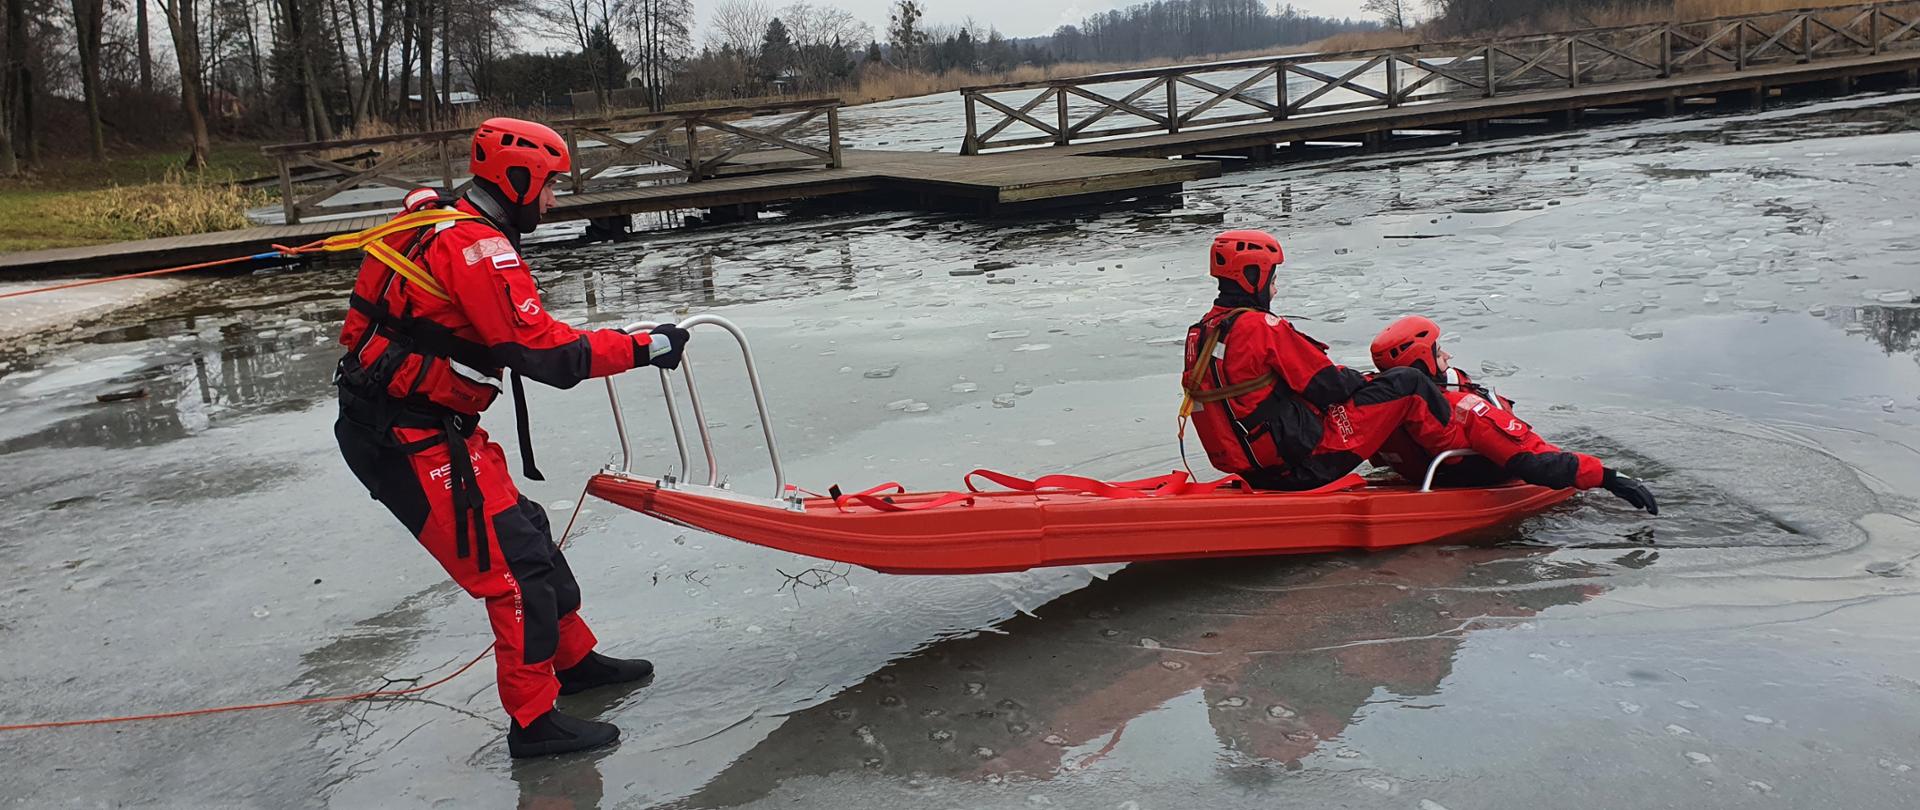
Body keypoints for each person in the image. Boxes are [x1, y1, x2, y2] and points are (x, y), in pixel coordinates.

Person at [332, 117, 693, 758]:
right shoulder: (477, 248)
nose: (554, 201)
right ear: (517, 179)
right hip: (403, 439)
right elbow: (543, 353)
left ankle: (575, 661)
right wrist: (645, 346)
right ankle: (533, 722)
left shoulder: (443, 222)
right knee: (513, 576)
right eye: (550, 186)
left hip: (432, 427)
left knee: (529, 535)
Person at [1181, 229, 1589, 496]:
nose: (1275, 285)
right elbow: (1329, 385)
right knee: (1407, 382)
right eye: (1272, 276)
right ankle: (1459, 461)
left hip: (1256, 466)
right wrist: (1370, 381)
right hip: (1298, 468)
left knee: (1382, 386)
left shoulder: (1202, 331)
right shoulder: (1262, 327)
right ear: (1255, 275)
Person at [1368, 315, 1657, 512]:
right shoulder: (1465, 410)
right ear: (1421, 357)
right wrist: (1610, 478)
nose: (1447, 355)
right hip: (1466, 470)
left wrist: (1601, 477)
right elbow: (1530, 458)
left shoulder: (1377, 405)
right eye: (1439, 350)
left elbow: (1530, 456)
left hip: (1462, 469)